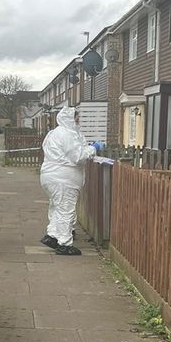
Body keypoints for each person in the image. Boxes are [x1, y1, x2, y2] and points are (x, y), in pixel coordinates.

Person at [39, 106, 103, 255]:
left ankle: (52, 236)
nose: (79, 121)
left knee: (57, 207)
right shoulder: (67, 134)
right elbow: (78, 156)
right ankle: (64, 244)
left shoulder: (54, 133)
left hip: (50, 176)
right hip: (64, 179)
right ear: (71, 119)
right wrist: (94, 148)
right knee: (66, 210)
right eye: (77, 119)